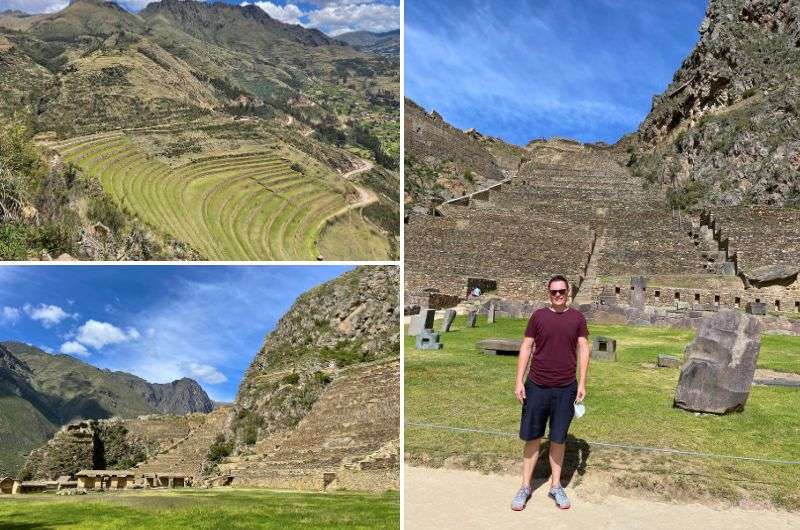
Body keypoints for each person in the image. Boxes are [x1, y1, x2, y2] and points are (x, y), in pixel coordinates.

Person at [511, 275, 590, 511]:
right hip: (537, 385)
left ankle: (556, 486)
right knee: (532, 437)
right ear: (549, 293)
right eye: (554, 292)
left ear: (569, 292)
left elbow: (584, 349)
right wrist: (519, 380)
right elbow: (526, 346)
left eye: (562, 291)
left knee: (558, 438)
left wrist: (582, 383)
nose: (558, 295)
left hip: (566, 387)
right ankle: (525, 486)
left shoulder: (577, 318)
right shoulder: (538, 316)